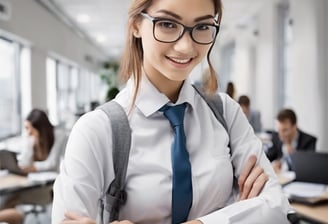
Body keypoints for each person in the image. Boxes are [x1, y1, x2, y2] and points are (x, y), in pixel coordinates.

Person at [52, 0, 290, 223]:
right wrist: (237, 210)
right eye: (167, 24)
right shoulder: (96, 130)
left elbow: (276, 207)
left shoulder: (225, 112)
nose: (186, 46)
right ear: (136, 25)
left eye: (203, 26)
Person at [3, 109, 67, 209]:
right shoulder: (32, 138)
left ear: (40, 128)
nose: (28, 132)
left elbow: (52, 163)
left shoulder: (59, 135)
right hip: (32, 182)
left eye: (30, 129)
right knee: (8, 199)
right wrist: (29, 142)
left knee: (10, 200)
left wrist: (32, 168)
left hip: (48, 185)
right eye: (26, 128)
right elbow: (25, 162)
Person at [266, 108, 317, 173]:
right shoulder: (276, 137)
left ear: (295, 126)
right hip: (279, 177)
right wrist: (274, 164)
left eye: (285, 130)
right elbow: (267, 157)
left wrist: (294, 155)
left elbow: (310, 166)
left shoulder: (309, 141)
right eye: (279, 130)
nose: (281, 135)